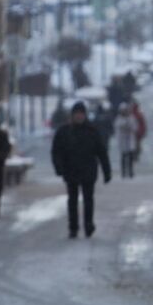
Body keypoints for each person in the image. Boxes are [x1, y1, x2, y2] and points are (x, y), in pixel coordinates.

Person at [51, 101, 111, 238]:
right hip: (70, 171)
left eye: (81, 114)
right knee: (72, 200)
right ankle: (73, 227)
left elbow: (101, 152)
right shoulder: (64, 131)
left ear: (85, 115)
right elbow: (56, 151)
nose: (79, 117)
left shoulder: (92, 131)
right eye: (76, 114)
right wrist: (58, 167)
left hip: (88, 171)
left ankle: (88, 225)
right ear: (72, 115)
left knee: (88, 199)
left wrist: (107, 171)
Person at [114, 103, 139, 179]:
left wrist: (129, 126)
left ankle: (131, 172)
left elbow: (135, 128)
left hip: (130, 140)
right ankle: (123, 172)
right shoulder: (118, 119)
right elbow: (117, 128)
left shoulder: (131, 118)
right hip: (122, 140)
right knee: (123, 157)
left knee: (130, 158)